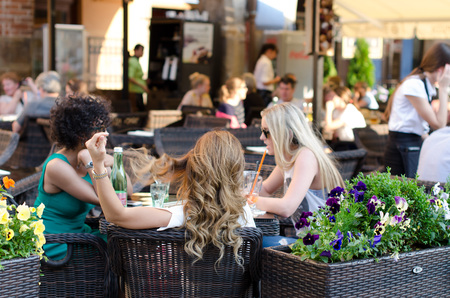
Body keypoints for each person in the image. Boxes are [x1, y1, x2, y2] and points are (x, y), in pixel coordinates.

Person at [85, 130, 255, 265]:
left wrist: (98, 165)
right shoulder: (245, 212)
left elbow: (116, 216)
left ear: (195, 168)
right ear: (237, 171)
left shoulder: (181, 215)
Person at [34, 95, 132, 260]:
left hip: (78, 235)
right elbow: (105, 200)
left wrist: (114, 163)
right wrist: (91, 161)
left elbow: (127, 191)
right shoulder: (56, 167)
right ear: (81, 134)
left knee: (127, 242)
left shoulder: (94, 157)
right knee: (122, 247)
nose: (106, 134)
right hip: (53, 243)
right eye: (100, 128)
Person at [252, 103, 344, 247]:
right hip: (310, 242)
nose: (261, 137)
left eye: (266, 132)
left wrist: (249, 199)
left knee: (254, 244)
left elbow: (286, 208)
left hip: (326, 246)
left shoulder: (306, 156)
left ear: (287, 134)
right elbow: (266, 190)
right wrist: (240, 188)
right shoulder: (289, 157)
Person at [384, 43, 450, 178]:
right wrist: (444, 89)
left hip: (411, 145)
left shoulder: (426, 85)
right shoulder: (414, 85)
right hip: (402, 147)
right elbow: (439, 125)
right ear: (441, 68)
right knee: (401, 195)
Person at [129, 44, 150, 112]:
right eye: (141, 50)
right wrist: (143, 86)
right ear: (136, 50)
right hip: (135, 90)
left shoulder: (136, 61)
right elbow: (131, 77)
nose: (142, 53)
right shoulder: (133, 61)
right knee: (140, 110)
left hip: (138, 90)